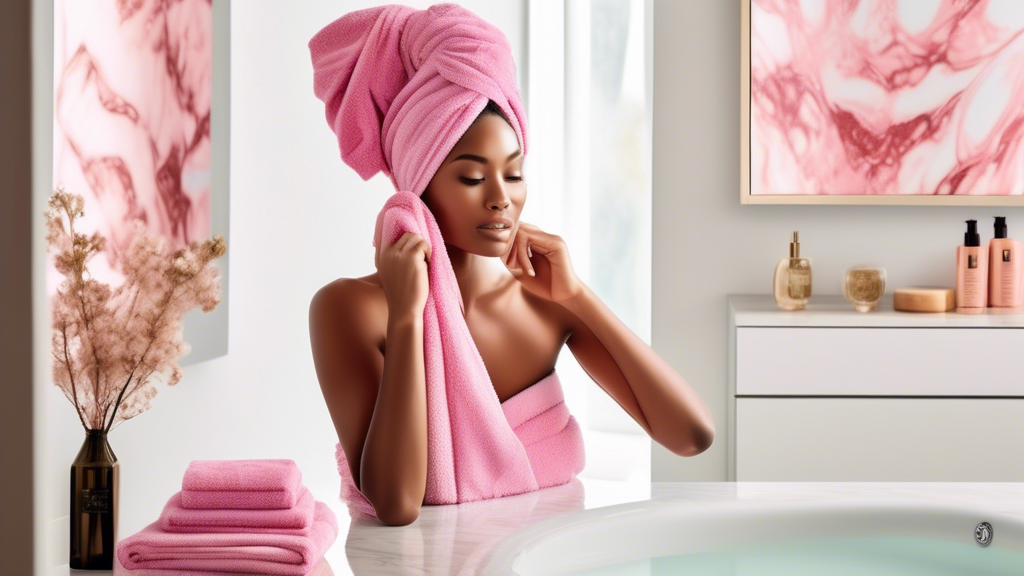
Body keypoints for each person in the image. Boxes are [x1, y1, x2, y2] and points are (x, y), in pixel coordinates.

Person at [307, 4, 714, 527]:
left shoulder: (545, 300)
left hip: (547, 554)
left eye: (514, 174)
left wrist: (578, 298)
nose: (501, 199)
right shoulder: (350, 309)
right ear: (419, 183)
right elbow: (397, 503)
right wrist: (408, 317)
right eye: (473, 179)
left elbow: (692, 435)